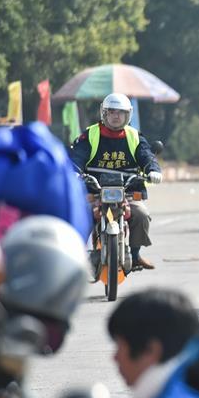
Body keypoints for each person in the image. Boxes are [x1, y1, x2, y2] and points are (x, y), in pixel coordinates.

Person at [69, 93, 161, 270]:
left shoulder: (134, 136)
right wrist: (73, 170)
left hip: (127, 191)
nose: (116, 116)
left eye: (121, 112)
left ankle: (135, 255)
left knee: (141, 214)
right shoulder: (91, 134)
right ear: (104, 113)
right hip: (95, 191)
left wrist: (153, 170)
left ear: (128, 115)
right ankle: (75, 256)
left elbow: (146, 155)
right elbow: (78, 156)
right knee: (81, 215)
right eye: (111, 112)